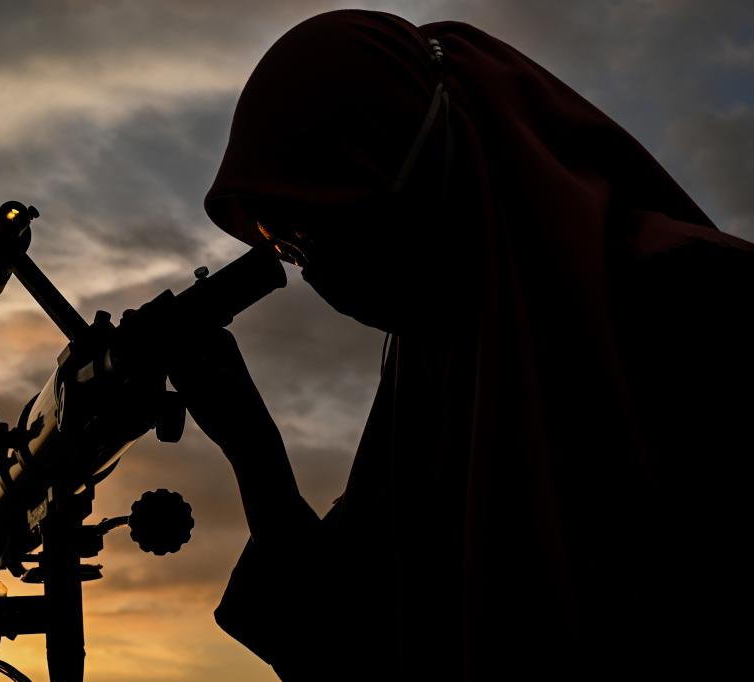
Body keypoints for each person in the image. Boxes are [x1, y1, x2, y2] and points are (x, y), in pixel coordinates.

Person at [161, 9, 753, 680]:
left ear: (418, 164)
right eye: (290, 247)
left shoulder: (699, 302)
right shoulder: (428, 382)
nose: (319, 269)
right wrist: (254, 451)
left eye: (325, 223)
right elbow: (360, 646)